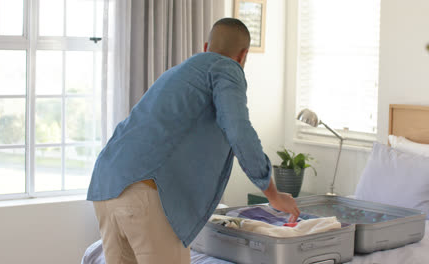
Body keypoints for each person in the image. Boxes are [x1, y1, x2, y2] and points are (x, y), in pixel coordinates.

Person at [87, 17, 300, 264]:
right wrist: (272, 193)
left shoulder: (179, 73)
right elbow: (239, 130)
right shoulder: (227, 69)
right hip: (144, 189)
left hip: (106, 185)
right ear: (243, 56)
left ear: (206, 46)